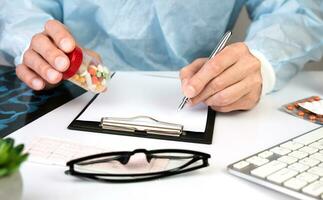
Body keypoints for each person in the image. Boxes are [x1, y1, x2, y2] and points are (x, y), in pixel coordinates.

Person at [0, 1, 322, 112]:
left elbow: (298, 9)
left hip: (196, 100)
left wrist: (263, 61)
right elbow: (22, 7)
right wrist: (37, 43)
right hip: (71, 95)